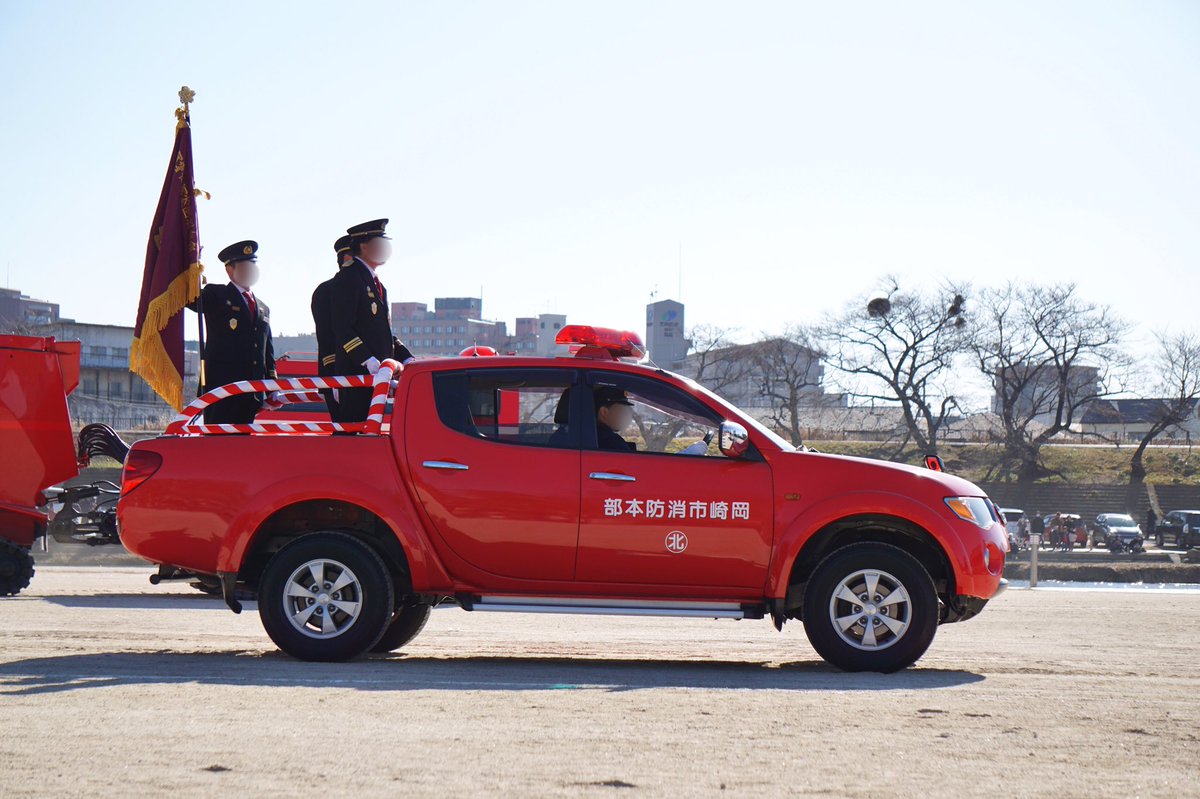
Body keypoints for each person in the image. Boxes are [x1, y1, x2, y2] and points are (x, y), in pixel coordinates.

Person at [329, 219, 415, 422]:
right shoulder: (348, 278)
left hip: (378, 376)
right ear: (365, 246)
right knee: (354, 435)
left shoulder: (377, 285)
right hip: (356, 374)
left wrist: (406, 357)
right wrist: (367, 360)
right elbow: (343, 328)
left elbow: (381, 331)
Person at [190, 240, 276, 424]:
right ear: (230, 270)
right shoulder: (217, 295)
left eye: (252, 265)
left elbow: (266, 352)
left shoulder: (263, 308)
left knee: (242, 448)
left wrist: (271, 387)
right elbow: (189, 300)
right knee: (217, 448)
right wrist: (191, 269)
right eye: (245, 266)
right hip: (220, 390)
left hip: (251, 393)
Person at [311, 235, 353, 420]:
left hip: (368, 376)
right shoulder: (327, 291)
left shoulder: (374, 288)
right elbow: (327, 338)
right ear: (347, 259)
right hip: (340, 374)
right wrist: (333, 378)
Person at [594, 386, 637, 452]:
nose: (625, 415)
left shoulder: (595, 436)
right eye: (621, 410)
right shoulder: (610, 442)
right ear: (604, 412)